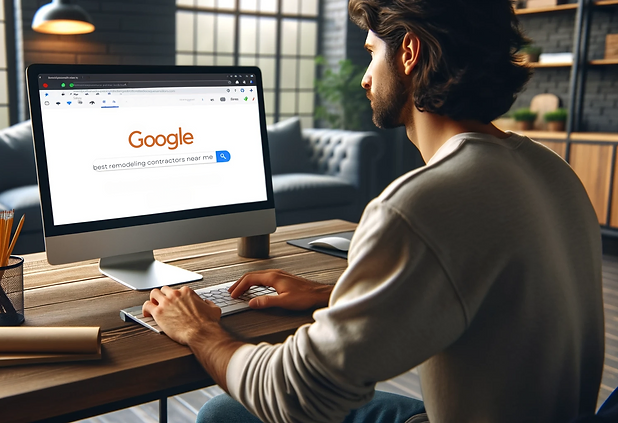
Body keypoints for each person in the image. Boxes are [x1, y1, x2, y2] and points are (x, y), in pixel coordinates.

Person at [141, 0, 605, 421]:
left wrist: (201, 330)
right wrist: (335, 292)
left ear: (409, 53)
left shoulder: (421, 204)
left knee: (223, 415)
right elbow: (484, 287)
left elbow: (296, 395)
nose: (365, 77)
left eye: (370, 52)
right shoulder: (551, 169)